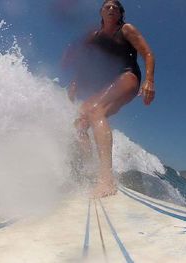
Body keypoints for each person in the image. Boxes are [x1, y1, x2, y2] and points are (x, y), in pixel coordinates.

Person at [67, 0, 156, 198]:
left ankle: (106, 180)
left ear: (120, 13)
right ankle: (87, 169)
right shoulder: (95, 37)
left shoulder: (126, 30)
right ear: (101, 12)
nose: (111, 8)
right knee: (81, 120)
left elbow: (148, 53)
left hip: (129, 77)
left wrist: (149, 80)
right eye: (107, 6)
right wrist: (75, 81)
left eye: (115, 7)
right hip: (111, 83)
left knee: (96, 110)